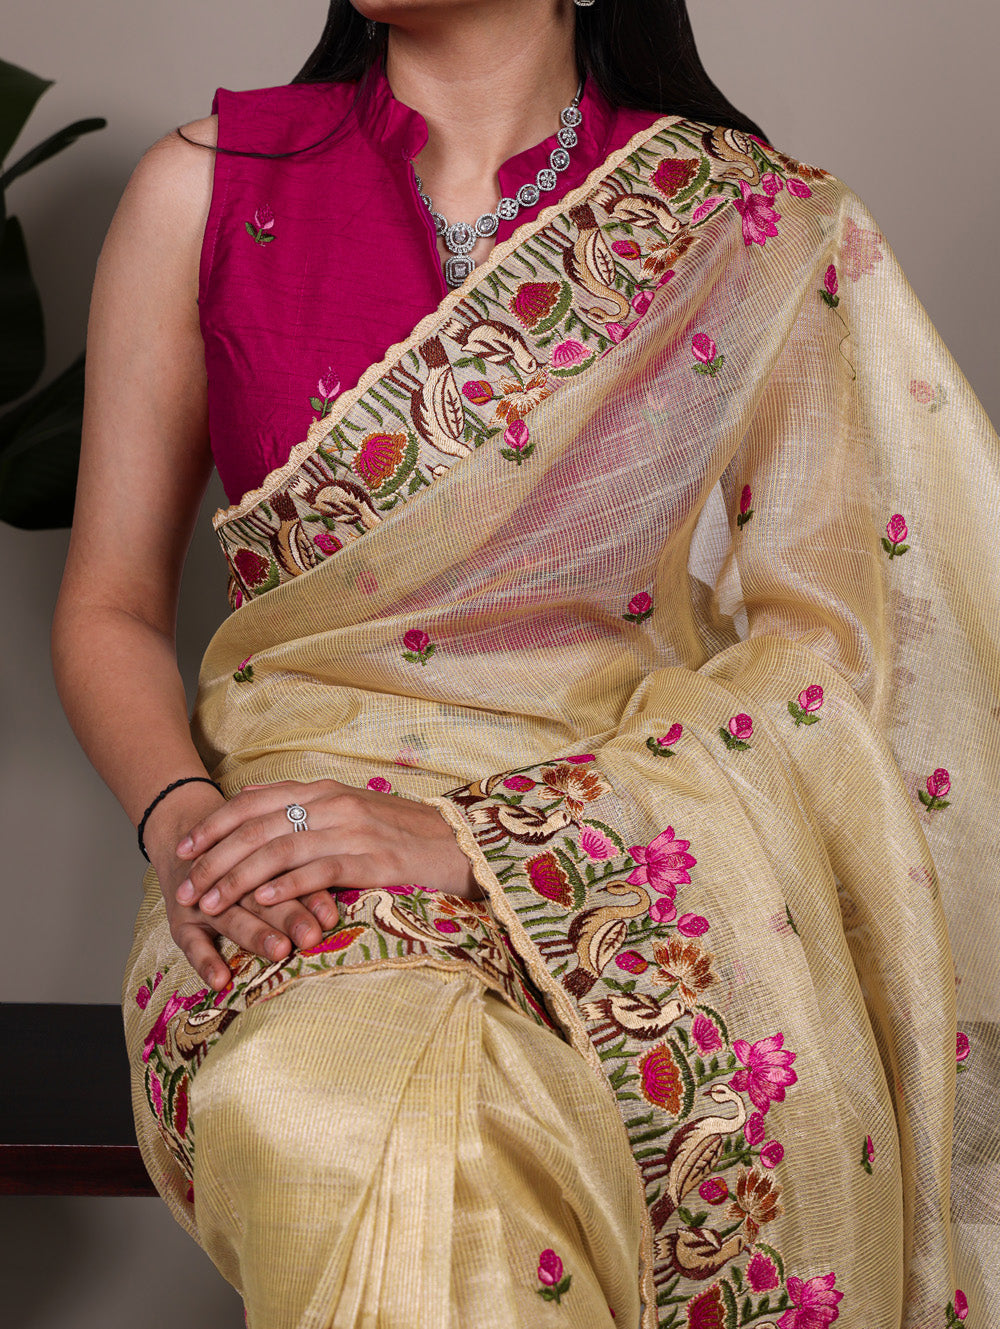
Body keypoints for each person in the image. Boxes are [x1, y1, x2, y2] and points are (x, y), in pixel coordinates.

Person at [51, 1, 998, 1326]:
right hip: (284, 858)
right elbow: (106, 605)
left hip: (620, 869)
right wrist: (188, 826)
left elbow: (837, 668)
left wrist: (497, 843)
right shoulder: (210, 189)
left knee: (524, 1133)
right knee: (342, 1105)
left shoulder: (741, 223)